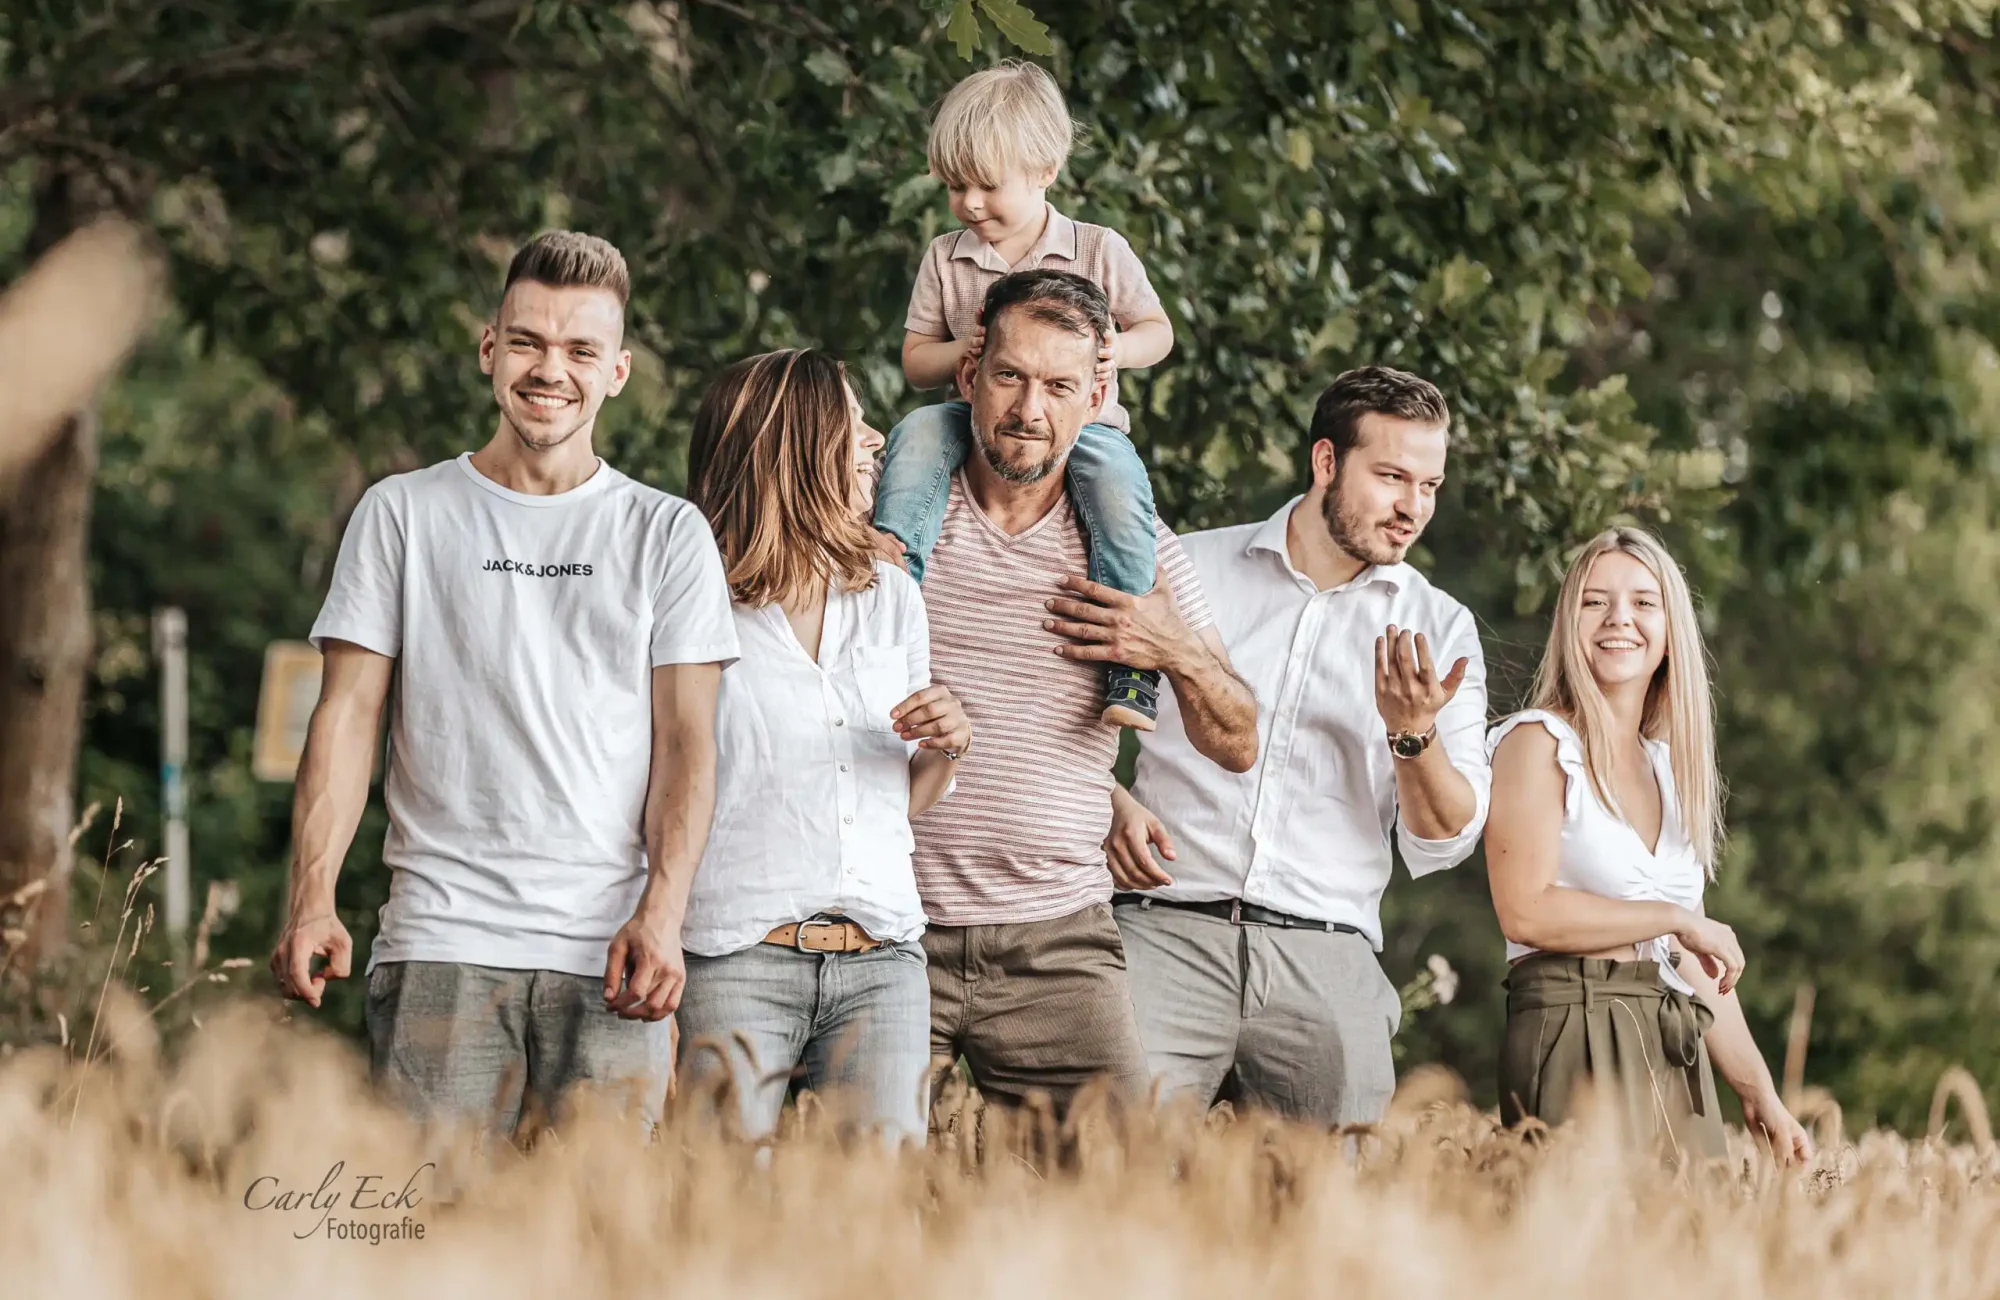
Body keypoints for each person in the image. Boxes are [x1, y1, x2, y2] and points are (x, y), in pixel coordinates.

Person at [269, 232, 739, 1139]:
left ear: (618, 372)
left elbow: (689, 743)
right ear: (490, 349)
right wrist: (312, 897)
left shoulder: (666, 533)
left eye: (580, 351)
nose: (548, 370)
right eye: (527, 342)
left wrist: (665, 914)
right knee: (426, 1251)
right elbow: (346, 717)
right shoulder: (403, 513)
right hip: (439, 944)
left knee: (600, 1259)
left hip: (611, 956)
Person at [910, 267, 1258, 1116]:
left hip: (1057, 939)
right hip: (887, 924)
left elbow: (1238, 739)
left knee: (1122, 1206)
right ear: (969, 376)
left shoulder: (1137, 554)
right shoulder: (902, 530)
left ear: (1097, 396)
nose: (1030, 410)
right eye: (1010, 376)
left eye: (1061, 386)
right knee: (838, 1205)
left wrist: (1169, 645)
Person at [1106, 366, 1490, 1125]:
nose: (1414, 507)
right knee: (1112, 1181)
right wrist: (1105, 799)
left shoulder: (1442, 629)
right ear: (1325, 463)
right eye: (1391, 477)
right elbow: (1061, 710)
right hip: (1163, 929)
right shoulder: (1192, 570)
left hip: (1328, 952)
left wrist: (1412, 736)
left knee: (1320, 1221)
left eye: (1431, 485)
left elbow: (1449, 833)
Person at [672, 349, 972, 1145]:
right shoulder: (693, 604)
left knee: (871, 1229)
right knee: (719, 1210)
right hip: (738, 955)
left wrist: (948, 743)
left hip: (882, 960)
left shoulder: (892, 601)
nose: (875, 440)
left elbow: (896, 797)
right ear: (796, 446)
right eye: (852, 424)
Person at [1484, 527, 1814, 1163]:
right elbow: (1525, 910)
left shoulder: (1669, 766)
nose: (1619, 620)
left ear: (1670, 629)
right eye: (1595, 601)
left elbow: (1691, 959)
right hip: (1575, 1024)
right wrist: (1674, 919)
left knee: (1686, 1252)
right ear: (1569, 622)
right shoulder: (1537, 742)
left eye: (1643, 602)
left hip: (1672, 1039)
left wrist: (1759, 1094)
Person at [873, 61, 1177, 730]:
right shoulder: (947, 257)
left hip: (1082, 427)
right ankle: (891, 586)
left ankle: (1129, 662)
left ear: (1045, 170)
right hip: (974, 417)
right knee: (917, 436)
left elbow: (1159, 331)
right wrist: (964, 353)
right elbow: (916, 358)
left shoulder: (1096, 249)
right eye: (956, 187)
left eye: (987, 185)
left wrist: (1116, 351)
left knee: (1117, 486)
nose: (971, 204)